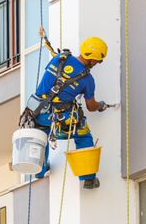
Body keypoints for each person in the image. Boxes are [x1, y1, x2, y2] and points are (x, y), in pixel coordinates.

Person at [18, 35, 111, 186]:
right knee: (83, 136)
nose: (97, 63)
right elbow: (91, 106)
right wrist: (101, 105)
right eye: (98, 61)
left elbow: (53, 78)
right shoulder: (88, 80)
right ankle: (88, 178)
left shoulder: (61, 58)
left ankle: (40, 171)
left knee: (41, 135)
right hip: (60, 117)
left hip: (36, 111)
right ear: (93, 59)